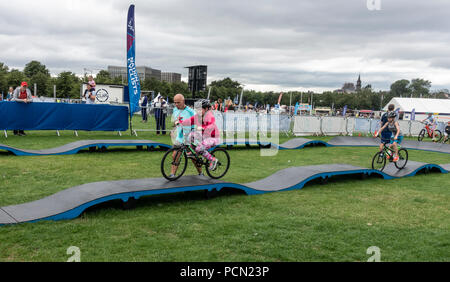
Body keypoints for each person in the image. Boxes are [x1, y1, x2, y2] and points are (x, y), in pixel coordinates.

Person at [175, 99, 220, 172]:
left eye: (200, 109)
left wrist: (203, 128)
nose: (198, 111)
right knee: (190, 135)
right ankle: (192, 152)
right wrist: (180, 122)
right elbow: (189, 121)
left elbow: (211, 126)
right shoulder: (197, 116)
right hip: (203, 136)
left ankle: (213, 160)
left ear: (206, 109)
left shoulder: (209, 116)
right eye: (197, 109)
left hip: (213, 137)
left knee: (199, 148)